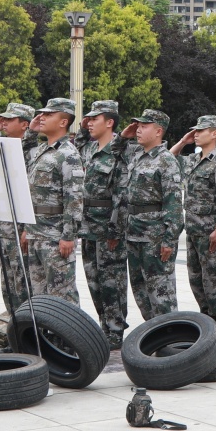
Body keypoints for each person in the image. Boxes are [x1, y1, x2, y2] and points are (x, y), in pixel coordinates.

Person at [119, 109, 184, 326]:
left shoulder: (166, 160)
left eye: (144, 126)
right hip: (134, 233)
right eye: (137, 125)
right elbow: (112, 151)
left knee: (161, 292)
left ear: (158, 131)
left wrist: (169, 239)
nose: (138, 129)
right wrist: (123, 135)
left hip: (155, 237)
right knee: (140, 290)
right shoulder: (137, 154)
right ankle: (155, 333)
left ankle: (172, 338)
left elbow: (173, 203)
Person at [78, 100, 135, 348]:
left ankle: (116, 328)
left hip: (108, 226)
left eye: (95, 119)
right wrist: (82, 128)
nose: (90, 123)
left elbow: (122, 195)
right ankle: (104, 323)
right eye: (88, 119)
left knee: (112, 279)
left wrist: (116, 229)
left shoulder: (120, 151)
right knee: (93, 279)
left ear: (109, 122)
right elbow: (78, 144)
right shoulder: (89, 150)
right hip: (87, 224)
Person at [177, 115, 216, 337]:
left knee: (212, 276)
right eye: (195, 130)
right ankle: (205, 315)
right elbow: (168, 159)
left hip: (210, 229)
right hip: (192, 229)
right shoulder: (193, 160)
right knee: (195, 277)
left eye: (201, 130)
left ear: (214, 133)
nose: (196, 134)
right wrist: (183, 142)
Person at [23, 99, 85, 305]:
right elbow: (21, 157)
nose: (42, 118)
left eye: (49, 115)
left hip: (55, 237)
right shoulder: (41, 150)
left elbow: (74, 198)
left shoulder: (68, 154)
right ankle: (44, 337)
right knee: (39, 298)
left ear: (63, 122)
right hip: (36, 232)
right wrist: (27, 228)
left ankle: (70, 337)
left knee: (62, 297)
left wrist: (68, 235)